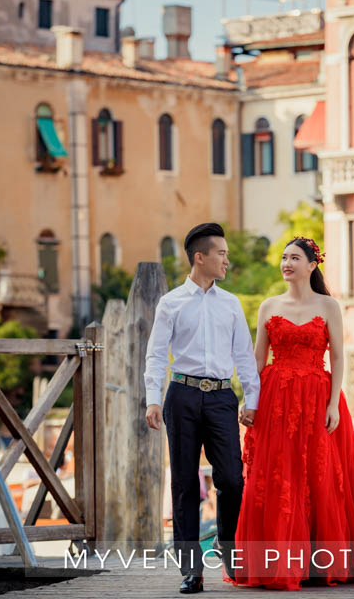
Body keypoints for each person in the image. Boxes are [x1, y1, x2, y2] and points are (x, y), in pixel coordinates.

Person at [230, 237, 354, 590]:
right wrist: (248, 399)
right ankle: (277, 564)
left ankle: (319, 563)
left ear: (312, 265)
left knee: (321, 476)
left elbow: (340, 357)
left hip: (317, 397)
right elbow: (257, 359)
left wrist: (333, 404)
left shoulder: (329, 306)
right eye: (284, 257)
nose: (286, 263)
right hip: (275, 399)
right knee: (278, 477)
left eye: (294, 258)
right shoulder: (268, 306)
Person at [144, 223, 260, 594]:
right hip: (183, 396)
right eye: (221, 253)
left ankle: (229, 551)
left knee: (231, 479)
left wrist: (251, 399)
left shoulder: (231, 303)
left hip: (222, 398)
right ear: (200, 257)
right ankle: (190, 571)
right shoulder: (171, 302)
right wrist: (152, 398)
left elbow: (244, 354)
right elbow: (156, 354)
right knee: (184, 485)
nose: (227, 259)